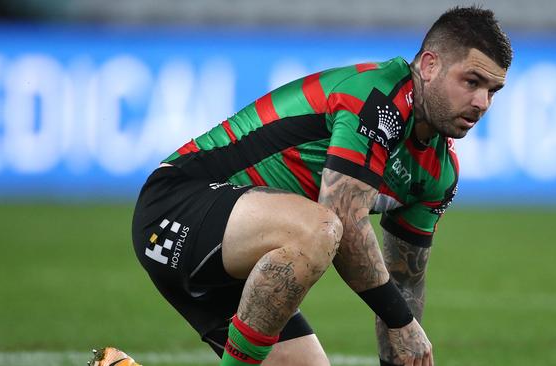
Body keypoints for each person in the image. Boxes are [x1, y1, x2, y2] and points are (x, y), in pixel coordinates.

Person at [90, 6, 512, 366]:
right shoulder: (377, 96)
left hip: (245, 266)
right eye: (471, 81)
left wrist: (401, 343)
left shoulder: (439, 171)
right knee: (322, 227)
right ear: (429, 65)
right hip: (178, 207)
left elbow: (404, 284)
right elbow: (343, 218)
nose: (481, 103)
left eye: (493, 91)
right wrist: (401, 322)